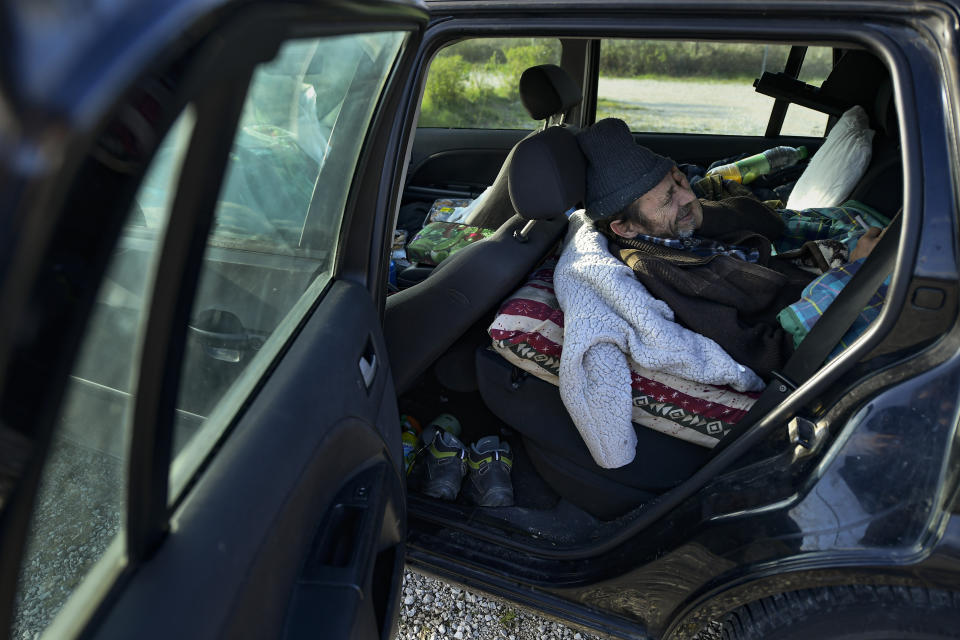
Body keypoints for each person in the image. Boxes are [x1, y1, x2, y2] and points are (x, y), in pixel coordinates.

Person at [576, 118, 885, 378]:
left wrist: (698, 214)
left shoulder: (673, 225)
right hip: (823, 324)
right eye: (669, 200)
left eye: (679, 184)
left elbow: (771, 224)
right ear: (626, 228)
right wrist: (855, 273)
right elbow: (769, 354)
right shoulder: (662, 271)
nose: (687, 197)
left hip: (810, 282)